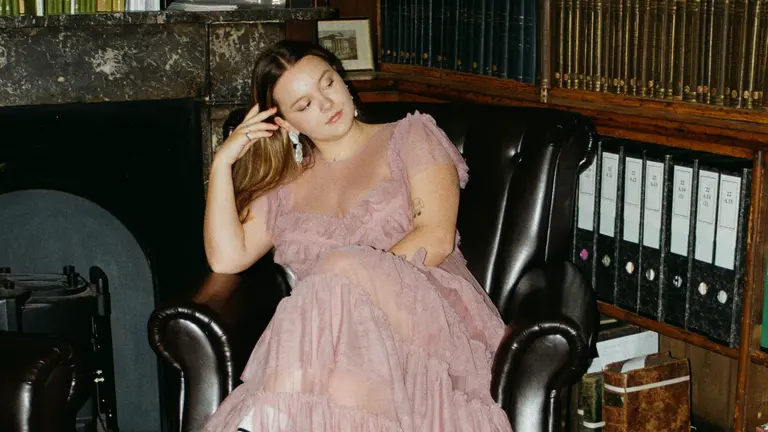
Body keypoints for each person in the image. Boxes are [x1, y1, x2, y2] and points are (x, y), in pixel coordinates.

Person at [202, 40, 513, 432]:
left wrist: (344, 279)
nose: (326, 103)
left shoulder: (409, 136)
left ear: (342, 79)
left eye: (327, 83)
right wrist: (223, 161)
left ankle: (267, 420)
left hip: (430, 325)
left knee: (340, 264)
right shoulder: (286, 187)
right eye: (304, 105)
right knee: (345, 388)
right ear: (285, 124)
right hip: (348, 352)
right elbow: (226, 258)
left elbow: (435, 237)